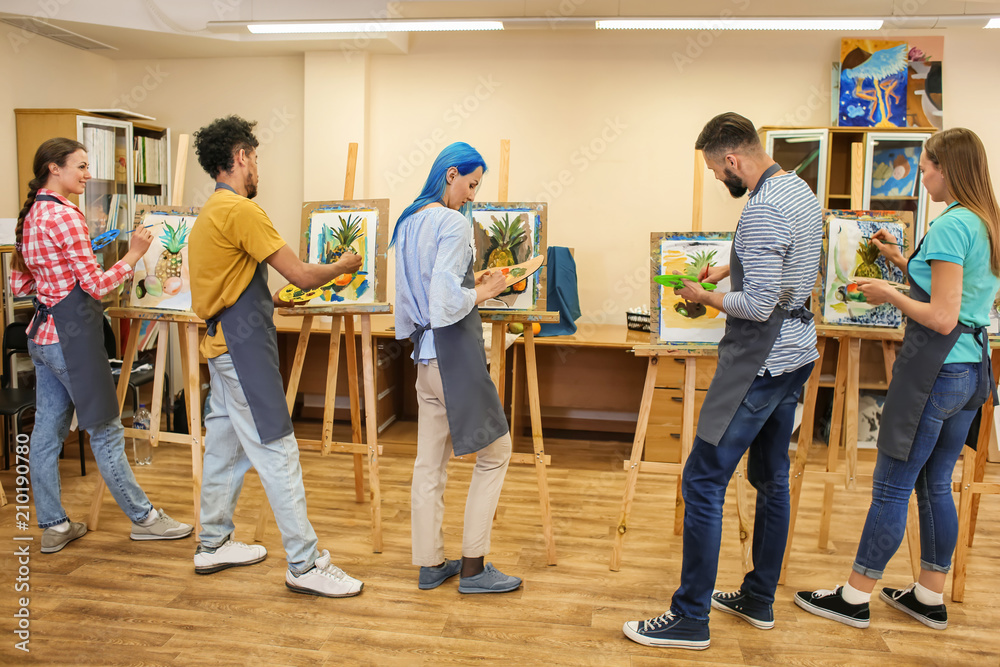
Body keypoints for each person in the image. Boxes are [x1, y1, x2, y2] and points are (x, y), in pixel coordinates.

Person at [622, 113, 823, 650]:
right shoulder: (798, 188)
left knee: (703, 480)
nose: (717, 179)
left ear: (732, 159)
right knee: (771, 478)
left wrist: (701, 294)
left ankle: (689, 618)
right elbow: (782, 273)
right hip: (798, 354)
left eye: (716, 170)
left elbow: (757, 305)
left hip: (758, 364)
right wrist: (725, 272)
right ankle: (758, 599)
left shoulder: (760, 212)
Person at [796, 127, 1000, 631]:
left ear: (946, 168)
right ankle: (929, 596)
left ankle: (854, 596)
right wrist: (899, 262)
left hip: (937, 367)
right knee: (935, 486)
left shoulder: (953, 225)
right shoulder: (984, 222)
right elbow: (953, 293)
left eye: (927, 166)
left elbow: (940, 316)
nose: (922, 174)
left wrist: (888, 293)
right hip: (971, 371)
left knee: (891, 489)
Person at [187, 116, 364, 597]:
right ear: (240, 157)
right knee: (278, 450)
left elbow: (234, 284)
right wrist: (344, 265)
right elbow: (304, 274)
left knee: (224, 449)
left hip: (223, 347)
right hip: (243, 352)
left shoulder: (210, 213)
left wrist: (275, 299)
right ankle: (305, 565)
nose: (258, 168)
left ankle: (213, 543)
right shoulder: (242, 211)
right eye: (256, 158)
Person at [11, 137, 193, 553]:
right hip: (71, 341)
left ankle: (54, 526)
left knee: (45, 434)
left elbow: (22, 283)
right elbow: (94, 285)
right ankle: (145, 518)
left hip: (42, 337)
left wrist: (67, 267)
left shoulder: (34, 214)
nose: (88, 174)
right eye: (81, 166)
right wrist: (132, 256)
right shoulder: (66, 217)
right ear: (53, 168)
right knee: (107, 431)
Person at [393, 142, 521, 594]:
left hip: (424, 355)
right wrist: (486, 292)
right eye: (470, 184)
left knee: (430, 465)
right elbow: (448, 302)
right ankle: (473, 568)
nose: (471, 196)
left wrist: (474, 283)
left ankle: (430, 564)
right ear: (450, 175)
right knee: (497, 454)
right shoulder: (450, 222)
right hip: (455, 357)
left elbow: (419, 300)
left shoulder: (407, 222)